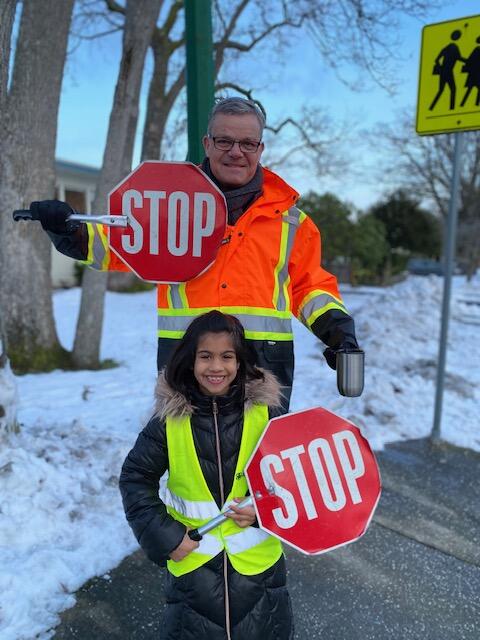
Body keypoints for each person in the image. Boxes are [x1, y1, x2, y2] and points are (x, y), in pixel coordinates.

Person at [30, 96, 360, 412]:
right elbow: (117, 244)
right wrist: (68, 228)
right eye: (224, 141)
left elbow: (309, 288)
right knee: (191, 464)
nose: (236, 152)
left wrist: (338, 333)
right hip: (187, 360)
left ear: (260, 149)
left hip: (263, 366)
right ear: (207, 144)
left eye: (247, 143)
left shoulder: (292, 221)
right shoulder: (169, 206)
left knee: (258, 466)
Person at [119, 310, 293, 639]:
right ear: (189, 360)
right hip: (193, 576)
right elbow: (135, 479)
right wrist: (166, 537)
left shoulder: (268, 415)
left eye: (227, 356)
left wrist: (263, 510)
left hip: (260, 578)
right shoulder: (168, 422)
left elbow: (294, 480)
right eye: (205, 356)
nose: (216, 367)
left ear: (241, 362)